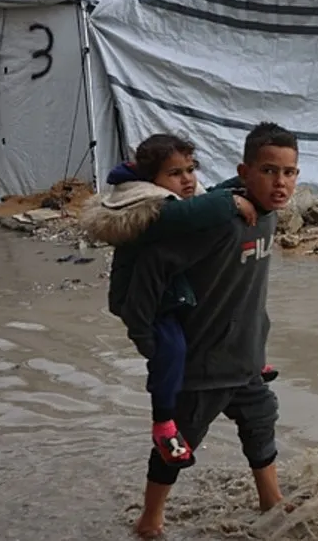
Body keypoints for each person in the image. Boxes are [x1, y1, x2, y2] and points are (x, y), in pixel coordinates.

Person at [112, 123, 300, 538]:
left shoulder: (265, 214)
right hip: (203, 364)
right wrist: (147, 342)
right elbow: (150, 269)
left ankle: (271, 499)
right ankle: (149, 521)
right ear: (245, 172)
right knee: (178, 444)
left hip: (245, 357)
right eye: (269, 171)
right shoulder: (218, 220)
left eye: (289, 172)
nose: (280, 182)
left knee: (261, 421)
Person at [80, 134, 279, 468]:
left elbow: (208, 195)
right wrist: (144, 336)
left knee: (253, 314)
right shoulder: (149, 206)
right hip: (148, 303)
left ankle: (250, 360)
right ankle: (164, 423)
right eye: (175, 173)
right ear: (151, 179)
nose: (187, 179)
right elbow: (200, 211)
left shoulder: (178, 195)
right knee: (170, 351)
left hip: (173, 294)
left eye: (190, 169)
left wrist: (249, 183)